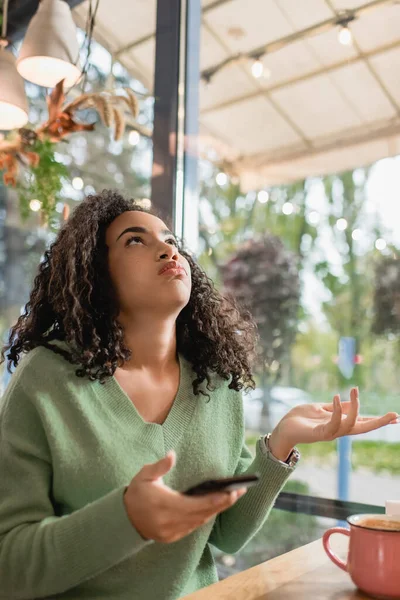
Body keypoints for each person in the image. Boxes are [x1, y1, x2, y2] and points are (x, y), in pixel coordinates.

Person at [0, 190, 397, 600]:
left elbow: (228, 534)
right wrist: (126, 520)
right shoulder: (47, 377)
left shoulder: (214, 381)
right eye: (136, 240)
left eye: (171, 241)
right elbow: (8, 564)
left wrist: (279, 446)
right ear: (95, 273)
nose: (167, 251)